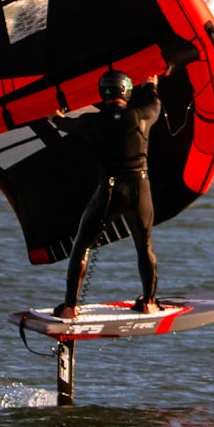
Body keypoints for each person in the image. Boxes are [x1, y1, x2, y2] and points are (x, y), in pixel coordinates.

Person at [50, 70, 162, 319]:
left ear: (102, 93)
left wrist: (53, 113)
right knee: (144, 245)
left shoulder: (92, 122)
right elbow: (155, 103)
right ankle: (149, 303)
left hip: (109, 191)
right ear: (127, 92)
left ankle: (70, 307)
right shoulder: (141, 115)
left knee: (81, 246)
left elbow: (61, 122)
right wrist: (151, 85)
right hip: (139, 189)